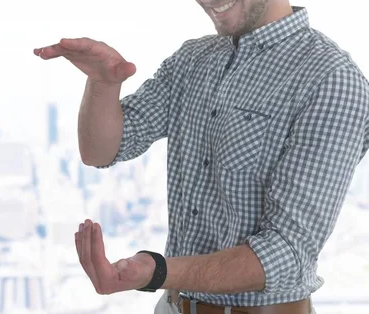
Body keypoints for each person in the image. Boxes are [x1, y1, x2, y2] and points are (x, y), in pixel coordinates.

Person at [34, 0, 369, 313]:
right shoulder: (193, 58)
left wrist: (156, 271)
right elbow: (102, 150)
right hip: (173, 305)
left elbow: (286, 254)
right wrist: (103, 84)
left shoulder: (333, 80)